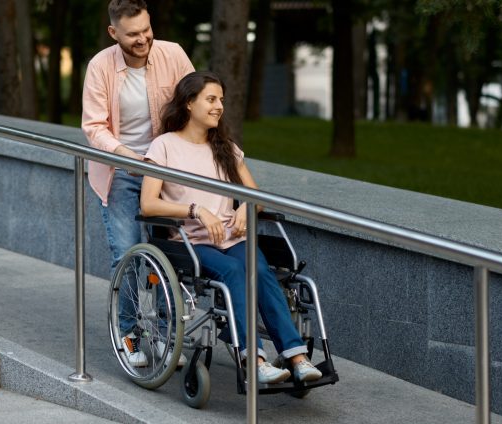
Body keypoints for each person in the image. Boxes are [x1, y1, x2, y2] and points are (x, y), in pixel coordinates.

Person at [139, 71, 323, 384]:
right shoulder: (164, 146)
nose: (219, 106)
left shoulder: (225, 147)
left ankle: (297, 356)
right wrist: (196, 211)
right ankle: (255, 358)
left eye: (221, 100)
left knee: (261, 271)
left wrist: (246, 209)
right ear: (189, 104)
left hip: (230, 238)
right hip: (190, 243)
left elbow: (257, 196)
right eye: (211, 99)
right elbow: (148, 204)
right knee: (234, 272)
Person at [82, 0, 194, 367]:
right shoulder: (101, 66)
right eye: (133, 34)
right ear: (114, 33)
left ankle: (165, 335)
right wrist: (130, 158)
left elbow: (193, 106)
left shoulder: (173, 54)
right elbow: (94, 127)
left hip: (167, 173)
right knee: (127, 256)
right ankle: (128, 334)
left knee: (169, 256)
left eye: (147, 29)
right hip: (122, 173)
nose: (143, 38)